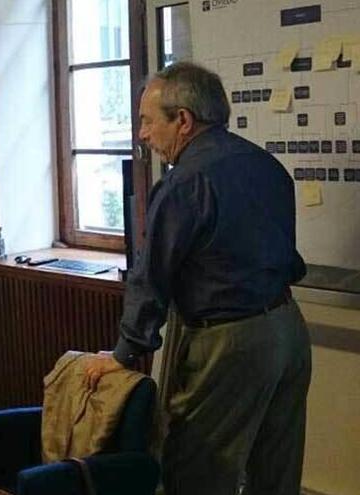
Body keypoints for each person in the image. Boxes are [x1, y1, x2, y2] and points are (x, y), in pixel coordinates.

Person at [83, 62, 311, 495]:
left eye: (148, 121)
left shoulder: (185, 183)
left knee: (197, 472)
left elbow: (152, 278)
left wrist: (123, 353)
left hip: (230, 344)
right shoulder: (266, 165)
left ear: (183, 120)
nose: (143, 135)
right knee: (276, 473)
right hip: (289, 330)